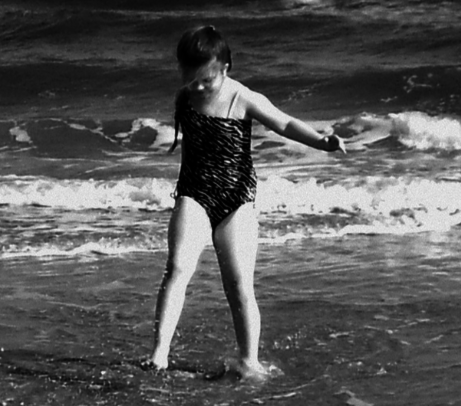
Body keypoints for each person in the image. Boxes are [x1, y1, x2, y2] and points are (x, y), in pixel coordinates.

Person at [147, 25, 346, 380]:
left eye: (205, 80)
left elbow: (284, 123)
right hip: (194, 193)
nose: (198, 87)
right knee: (177, 268)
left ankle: (248, 360)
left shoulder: (243, 98)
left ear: (225, 68)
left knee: (238, 284)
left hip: (236, 199)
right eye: (190, 78)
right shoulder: (186, 97)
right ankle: (159, 354)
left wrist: (322, 142)